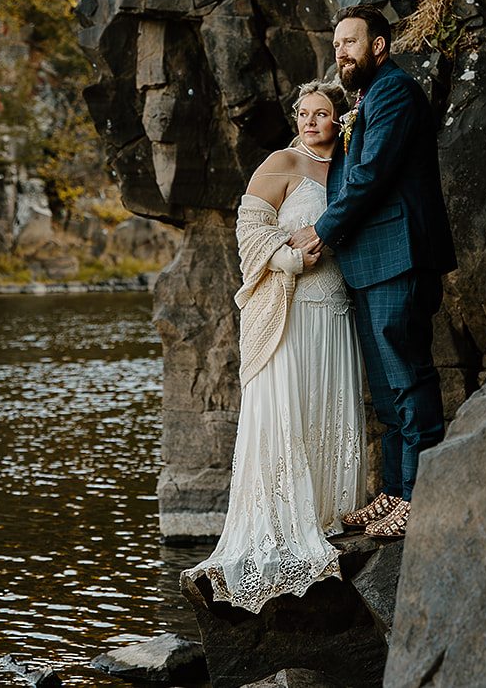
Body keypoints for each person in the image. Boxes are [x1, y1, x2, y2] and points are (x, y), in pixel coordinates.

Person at [190, 80, 366, 612]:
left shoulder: (353, 166)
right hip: (290, 309)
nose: (310, 122)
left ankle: (329, 517)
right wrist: (289, 260)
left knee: (329, 412)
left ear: (340, 120)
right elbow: (249, 231)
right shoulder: (281, 163)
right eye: (304, 113)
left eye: (321, 113)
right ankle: (279, 527)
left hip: (336, 313)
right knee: (287, 415)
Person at [290, 4, 456, 540]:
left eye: (350, 42)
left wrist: (320, 231)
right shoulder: (363, 99)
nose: (340, 51)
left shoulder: (395, 93)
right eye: (336, 43)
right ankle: (392, 495)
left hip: (400, 254)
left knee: (409, 378)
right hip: (369, 263)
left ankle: (421, 497)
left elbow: (371, 176)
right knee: (385, 393)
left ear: (378, 45)